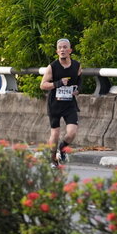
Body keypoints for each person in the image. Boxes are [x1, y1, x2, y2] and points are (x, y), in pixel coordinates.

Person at [40, 38, 82, 167]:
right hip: (55, 105)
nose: (62, 50)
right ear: (57, 51)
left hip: (69, 104)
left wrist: (78, 90)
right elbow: (43, 85)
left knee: (72, 132)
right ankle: (53, 159)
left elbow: (79, 81)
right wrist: (58, 83)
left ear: (70, 50)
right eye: (60, 48)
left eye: (65, 47)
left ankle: (62, 148)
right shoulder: (52, 67)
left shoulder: (77, 65)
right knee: (55, 134)